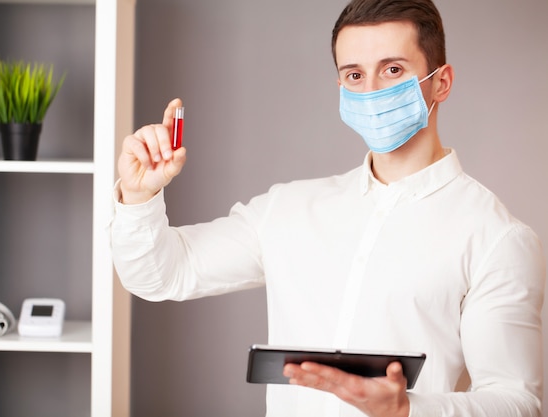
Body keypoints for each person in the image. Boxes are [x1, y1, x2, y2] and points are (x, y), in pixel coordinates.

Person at [110, 0, 546, 415]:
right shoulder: (288, 208)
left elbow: (516, 401)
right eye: (354, 75)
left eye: (392, 69)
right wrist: (138, 196)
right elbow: (161, 274)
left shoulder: (496, 238)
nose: (371, 90)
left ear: (441, 81)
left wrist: (409, 410)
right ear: (340, 86)